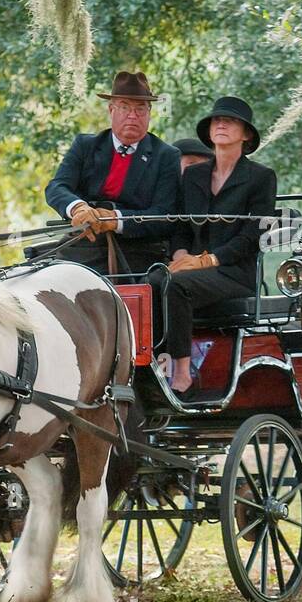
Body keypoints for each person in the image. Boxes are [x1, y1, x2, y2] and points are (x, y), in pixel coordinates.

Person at [158, 96, 277, 393]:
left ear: (246, 134)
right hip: (195, 268)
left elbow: (253, 237)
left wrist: (207, 260)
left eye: (230, 121)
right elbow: (181, 226)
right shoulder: (194, 175)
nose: (221, 124)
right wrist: (180, 254)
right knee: (150, 280)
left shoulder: (261, 178)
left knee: (177, 286)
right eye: (216, 120)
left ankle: (181, 374)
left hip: (235, 272)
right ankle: (151, 363)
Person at [43, 71, 179, 275]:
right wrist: (79, 208)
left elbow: (164, 215)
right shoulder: (85, 145)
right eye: (124, 107)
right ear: (111, 110)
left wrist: (115, 220)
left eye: (140, 109)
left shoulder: (166, 155)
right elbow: (56, 187)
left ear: (149, 113)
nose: (132, 116)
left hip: (138, 249)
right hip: (84, 241)